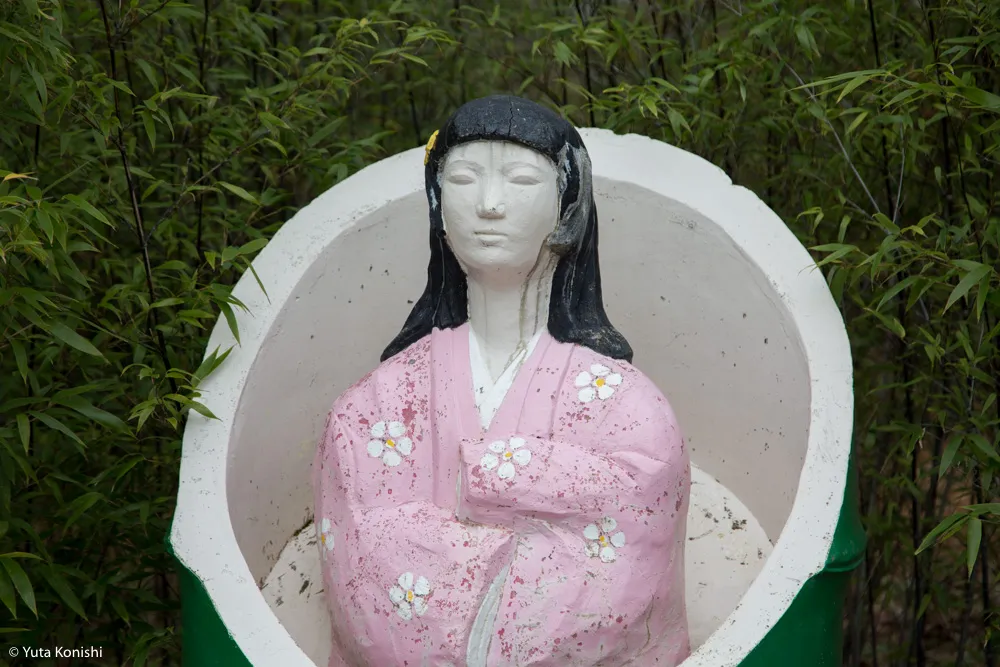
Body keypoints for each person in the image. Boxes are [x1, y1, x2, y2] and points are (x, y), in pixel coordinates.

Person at [312, 95, 691, 666]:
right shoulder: (374, 404)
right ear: (438, 203)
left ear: (568, 204)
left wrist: (499, 477)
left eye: (521, 180)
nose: (489, 204)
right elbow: (364, 566)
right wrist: (537, 532)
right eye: (464, 179)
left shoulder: (627, 404)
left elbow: (639, 547)